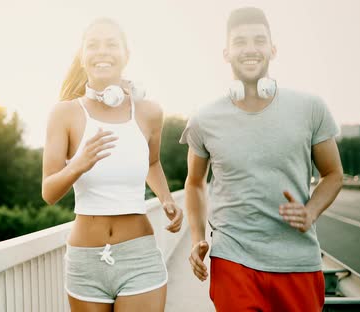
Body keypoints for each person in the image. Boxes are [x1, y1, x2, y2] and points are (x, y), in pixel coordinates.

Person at [180, 7, 343, 312]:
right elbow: (194, 183)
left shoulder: (310, 107)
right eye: (240, 42)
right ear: (226, 53)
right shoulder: (204, 118)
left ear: (273, 48)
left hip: (299, 262)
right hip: (233, 260)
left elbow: (333, 174)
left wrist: (311, 211)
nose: (250, 49)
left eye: (259, 40)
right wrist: (197, 239)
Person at [41, 18, 183, 312]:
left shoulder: (150, 112)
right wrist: (77, 165)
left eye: (111, 44)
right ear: (82, 56)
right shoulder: (64, 114)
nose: (102, 51)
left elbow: (152, 163)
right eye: (93, 45)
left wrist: (167, 200)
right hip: (85, 261)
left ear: (126, 54)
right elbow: (49, 193)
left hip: (139, 257)